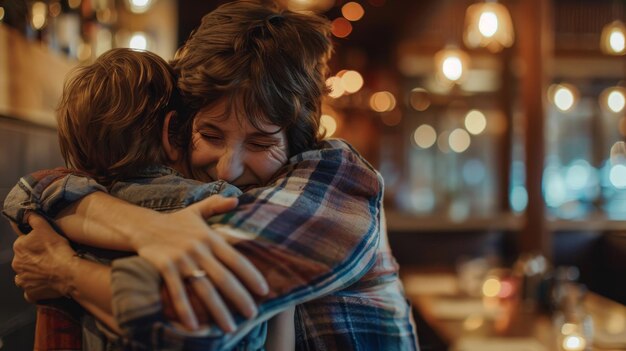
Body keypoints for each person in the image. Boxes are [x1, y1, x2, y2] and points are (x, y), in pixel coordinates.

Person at [4, 1, 419, 350]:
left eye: (259, 144)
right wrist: (143, 228)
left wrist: (62, 271)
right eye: (211, 134)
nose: (228, 167)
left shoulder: (338, 185)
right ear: (179, 130)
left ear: (298, 140)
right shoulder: (178, 193)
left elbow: (194, 314)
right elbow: (39, 187)